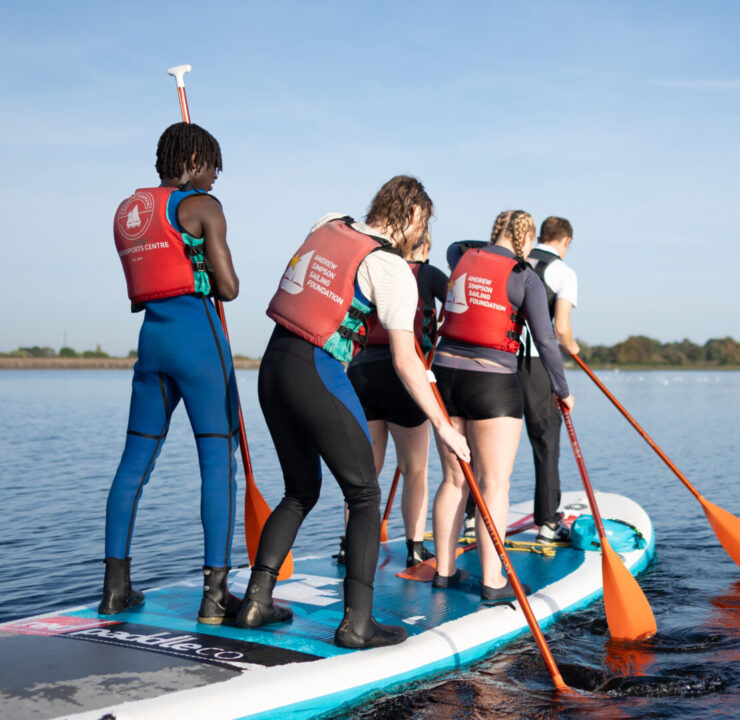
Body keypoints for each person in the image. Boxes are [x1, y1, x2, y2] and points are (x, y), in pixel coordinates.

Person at [237, 176, 470, 649]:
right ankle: (358, 624)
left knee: (301, 489)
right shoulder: (390, 268)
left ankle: (256, 602)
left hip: (272, 367)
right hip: (316, 370)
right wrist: (445, 428)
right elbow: (407, 362)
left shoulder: (328, 223)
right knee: (365, 493)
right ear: (412, 219)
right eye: (422, 224)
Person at [103, 122, 244, 624]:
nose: (214, 179)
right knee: (217, 464)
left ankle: (115, 588)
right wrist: (205, 256)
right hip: (199, 341)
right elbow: (228, 288)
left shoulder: (128, 212)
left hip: (152, 344)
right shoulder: (202, 206)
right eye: (211, 167)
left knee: (133, 465)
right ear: (191, 161)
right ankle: (215, 597)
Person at [430, 210, 573, 600]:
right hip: (492, 381)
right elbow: (545, 341)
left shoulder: (461, 259)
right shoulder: (524, 277)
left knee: (454, 479)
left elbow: (454, 245)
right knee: (494, 483)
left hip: (443, 378)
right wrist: (561, 389)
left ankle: (444, 572)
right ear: (527, 240)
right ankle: (493, 582)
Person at [345, 234, 449, 567]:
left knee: (364, 473)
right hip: (403, 372)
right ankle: (415, 548)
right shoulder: (429, 275)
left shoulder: (376, 268)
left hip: (361, 372)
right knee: (415, 469)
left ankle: (351, 546)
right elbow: (460, 306)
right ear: (426, 247)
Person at [519, 216, 580, 543]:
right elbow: (560, 328)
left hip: (498, 361)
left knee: (487, 443)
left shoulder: (517, 260)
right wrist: (571, 348)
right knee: (546, 441)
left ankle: (472, 518)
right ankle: (547, 523)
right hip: (536, 364)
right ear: (566, 241)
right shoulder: (563, 272)